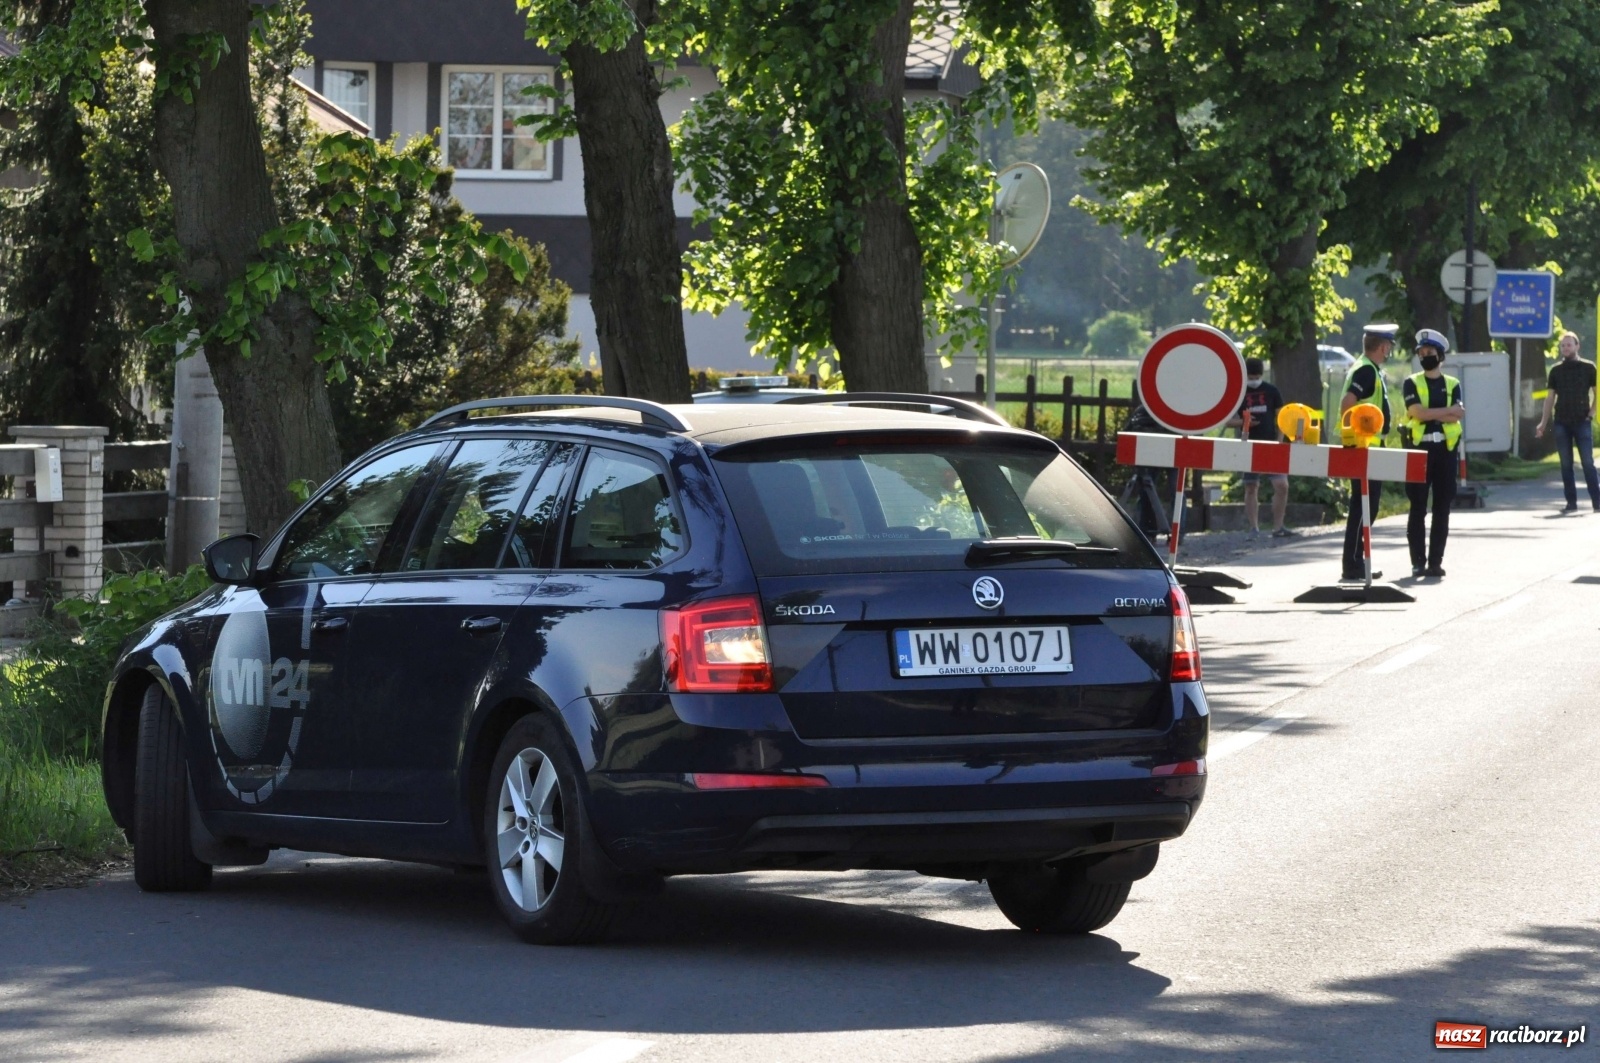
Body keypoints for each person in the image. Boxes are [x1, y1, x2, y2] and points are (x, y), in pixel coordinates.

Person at [1401, 329, 1463, 578]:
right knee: (1417, 506)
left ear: (1440, 356)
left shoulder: (1453, 384)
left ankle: (1435, 562)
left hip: (1445, 451)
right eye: (1422, 352)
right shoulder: (1411, 382)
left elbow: (1458, 415)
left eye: (1430, 352)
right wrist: (1445, 412)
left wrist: (1429, 414)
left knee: (1442, 507)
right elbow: (1416, 412)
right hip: (1419, 450)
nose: (1425, 356)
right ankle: (1418, 562)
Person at [1339, 323, 1397, 580]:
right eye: (1389, 347)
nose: (1389, 352)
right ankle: (1353, 564)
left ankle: (1357, 561)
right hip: (1364, 448)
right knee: (1363, 508)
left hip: (1368, 447)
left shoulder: (1368, 368)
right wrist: (1354, 437)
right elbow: (1347, 404)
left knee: (1366, 507)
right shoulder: (1366, 370)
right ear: (1383, 347)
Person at [1225, 356, 1294, 537]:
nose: (1254, 380)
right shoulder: (1239, 393)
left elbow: (1282, 418)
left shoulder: (1271, 391)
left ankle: (1278, 527)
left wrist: (1279, 441)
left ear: (1262, 374)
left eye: (1257, 377)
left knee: (1281, 485)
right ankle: (1253, 528)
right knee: (1251, 486)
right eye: (1251, 377)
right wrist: (1244, 422)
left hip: (1271, 444)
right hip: (1248, 445)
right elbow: (1228, 421)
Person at [1534, 330, 1599, 513]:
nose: (1565, 348)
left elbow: (1597, 393)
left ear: (1577, 346)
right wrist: (1543, 423)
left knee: (1587, 463)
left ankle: (1597, 502)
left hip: (1582, 420)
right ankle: (1571, 503)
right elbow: (1550, 398)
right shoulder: (1556, 370)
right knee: (1565, 464)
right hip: (1561, 421)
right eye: (1563, 345)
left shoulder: (1589, 368)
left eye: (1569, 345)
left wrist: (1591, 413)